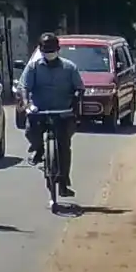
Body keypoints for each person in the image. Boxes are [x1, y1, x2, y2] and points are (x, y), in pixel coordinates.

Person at [22, 32, 83, 201]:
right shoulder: (33, 67)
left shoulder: (69, 68)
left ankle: (63, 183)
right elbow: (24, 87)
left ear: (58, 49)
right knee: (30, 130)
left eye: (51, 49)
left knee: (64, 147)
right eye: (45, 49)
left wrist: (76, 102)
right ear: (40, 50)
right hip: (39, 111)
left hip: (63, 112)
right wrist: (28, 104)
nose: (49, 52)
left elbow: (79, 88)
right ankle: (38, 149)